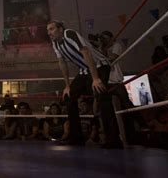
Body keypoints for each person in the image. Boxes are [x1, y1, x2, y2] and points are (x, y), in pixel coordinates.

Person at [47, 20, 123, 148]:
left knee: (101, 95)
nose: (49, 32)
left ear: (60, 29)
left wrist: (95, 78)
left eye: (52, 29)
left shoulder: (69, 34)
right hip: (84, 70)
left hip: (100, 66)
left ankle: (114, 140)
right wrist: (67, 86)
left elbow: (86, 52)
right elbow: (62, 63)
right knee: (69, 96)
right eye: (48, 30)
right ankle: (76, 137)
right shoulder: (55, 43)